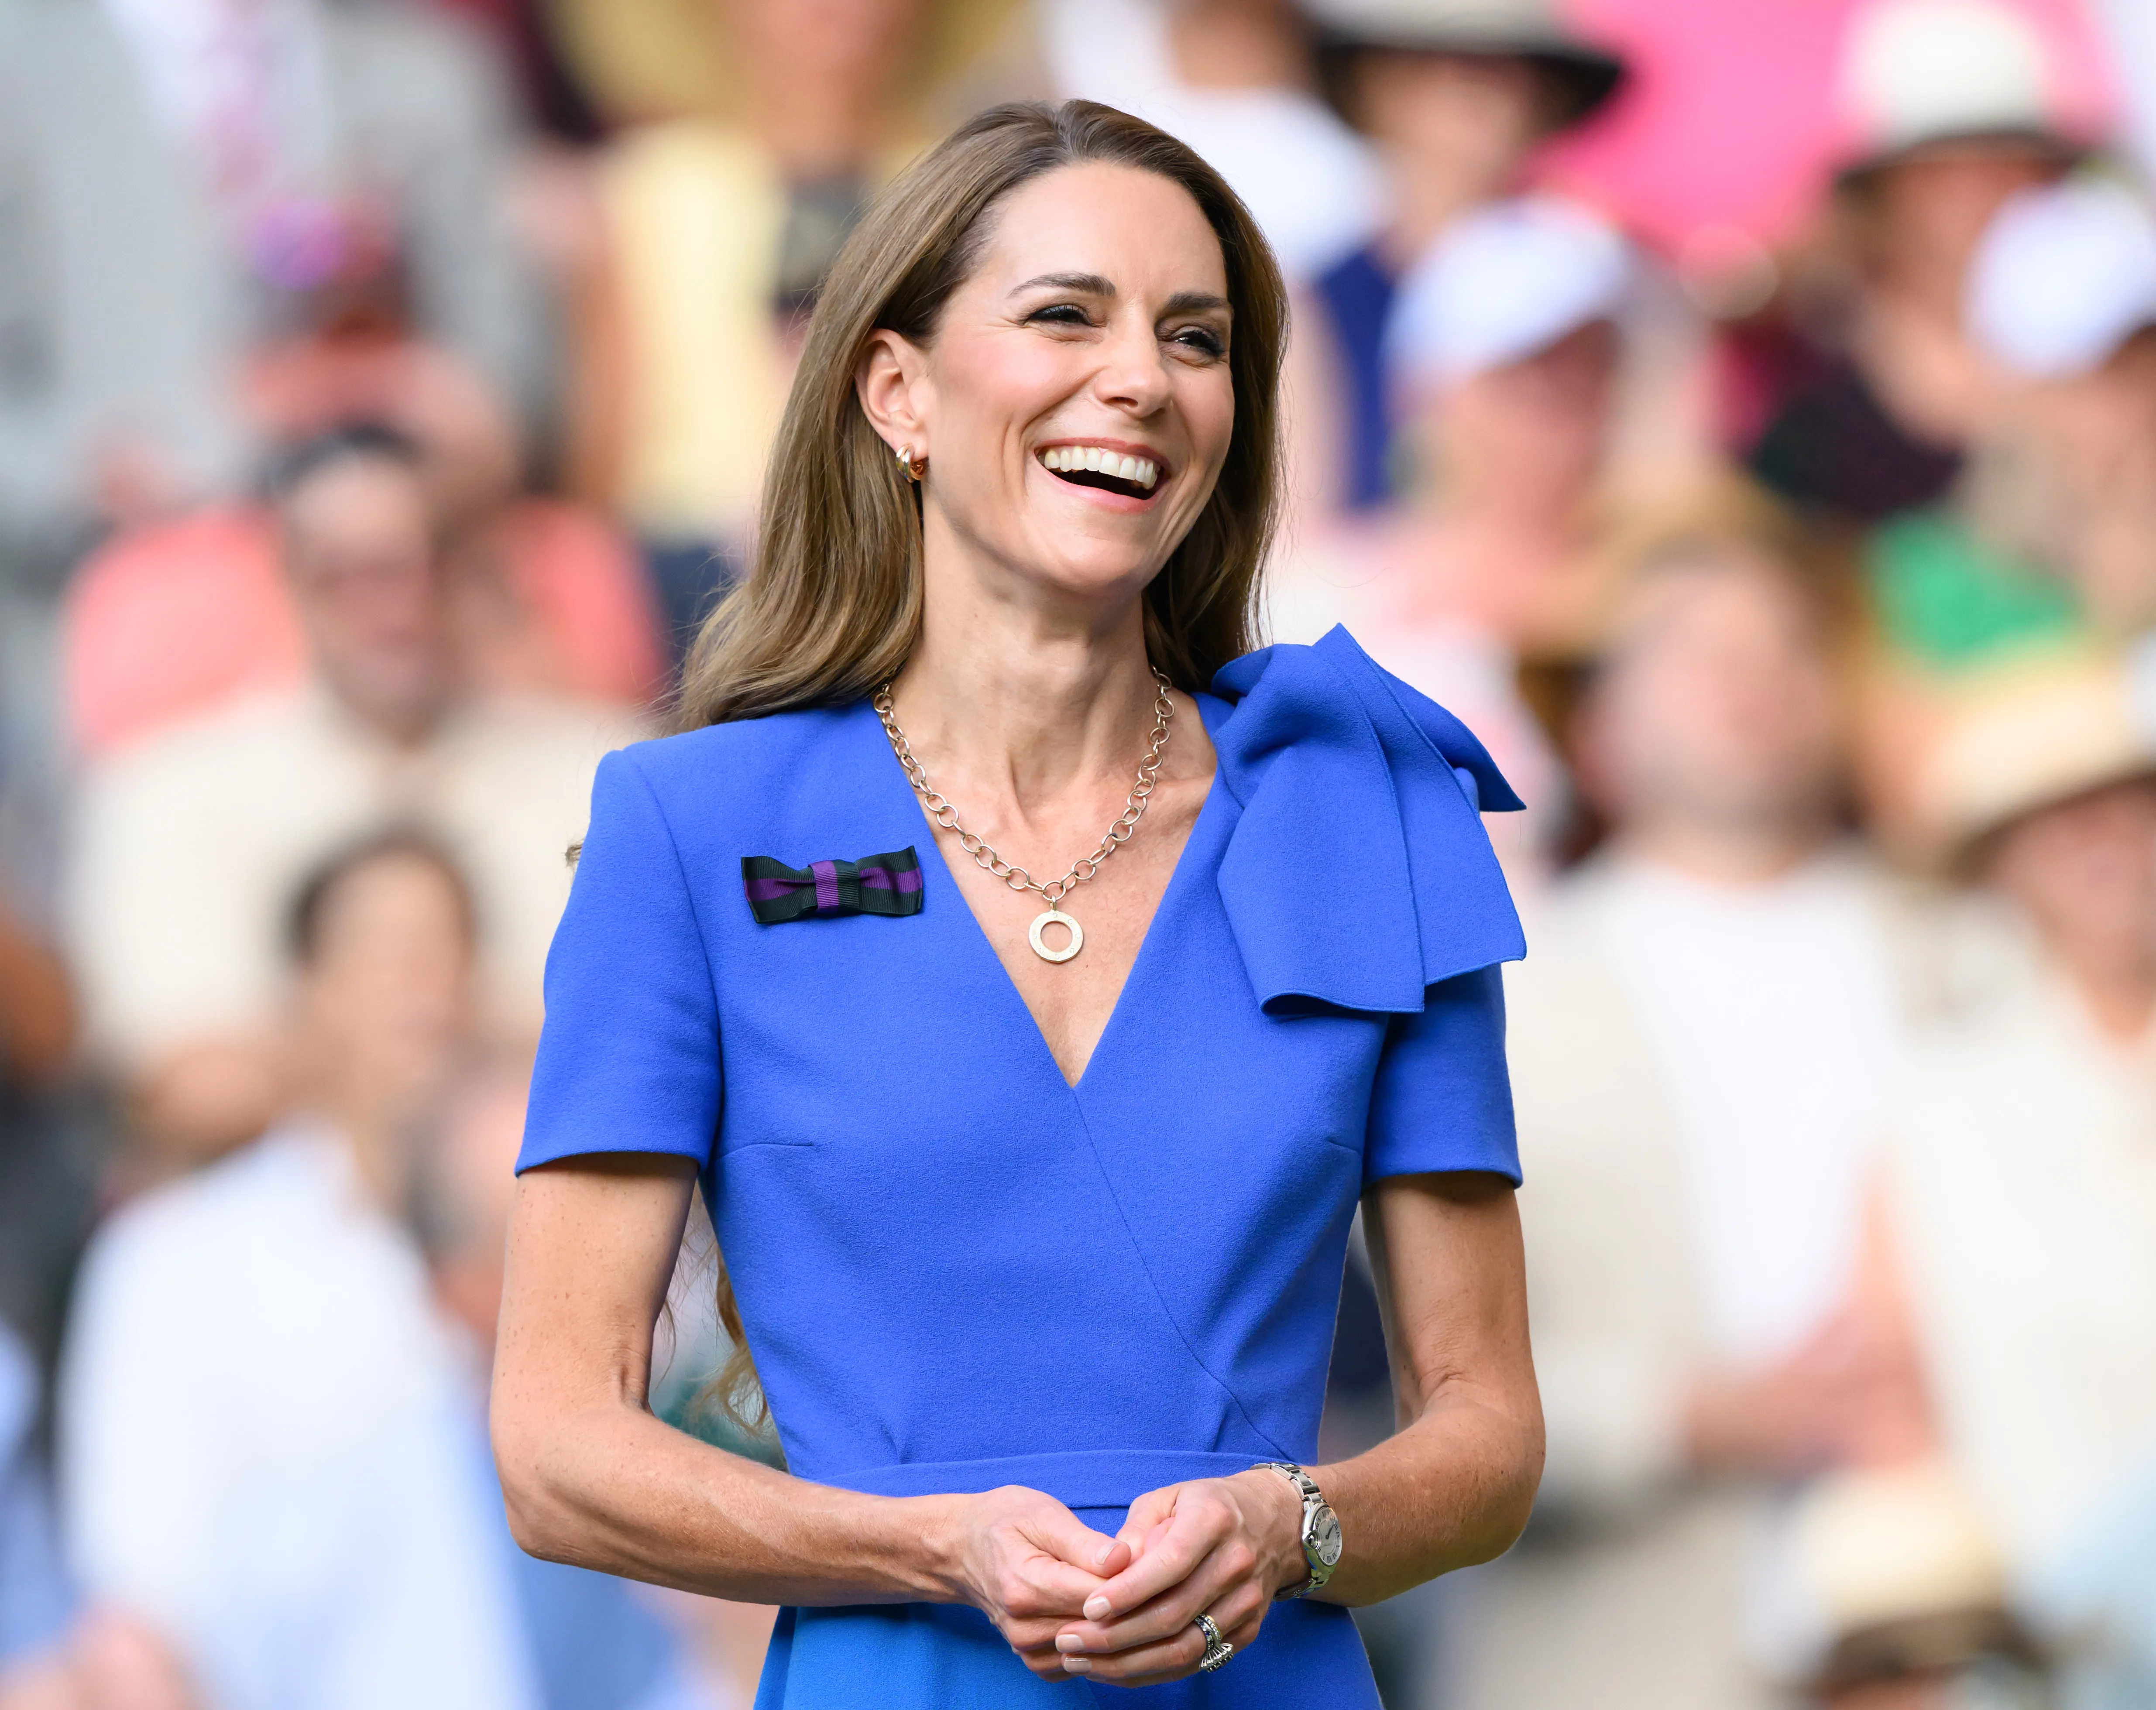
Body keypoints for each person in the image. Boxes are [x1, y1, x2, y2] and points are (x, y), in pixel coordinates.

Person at [492, 99, 1543, 1703]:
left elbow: (1488, 1431)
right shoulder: (689, 827)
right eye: (1066, 313)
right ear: (897, 392)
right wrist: (930, 1547)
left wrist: (1295, 1523)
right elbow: (556, 1447)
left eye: (1195, 339)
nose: (1140, 376)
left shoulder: (1368, 798)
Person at [1441, 511, 1966, 1710]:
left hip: (1962, 1633)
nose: (1750, 680)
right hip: (1624, 1647)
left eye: (1786, 643)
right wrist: (1688, 1415)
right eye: (1691, 646)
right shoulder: (1486, 1000)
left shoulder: (1972, 957)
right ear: (1598, 718)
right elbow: (1382, 1400)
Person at [62, 832, 716, 1710]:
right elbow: (143, 1601)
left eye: (448, 950)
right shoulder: (175, 1262)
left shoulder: (603, 1229)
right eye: (383, 953)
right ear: (302, 992)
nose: (423, 987)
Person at [65, 427, 635, 1166]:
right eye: (352, 573)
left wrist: (328, 1042)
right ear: (291, 582)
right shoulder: (164, 788)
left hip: (554, 1198)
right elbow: (186, 1081)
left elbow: (652, 1050)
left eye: (424, 563)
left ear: (476, 570)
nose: (395, 605)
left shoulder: (606, 770)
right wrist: (486, 1034)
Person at [545, 0, 1037, 655]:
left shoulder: (979, 187)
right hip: (681, 584)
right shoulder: (640, 190)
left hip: (912, 570)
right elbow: (601, 461)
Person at [0, 0, 551, 580]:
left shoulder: (425, 68)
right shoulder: (24, 64)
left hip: (399, 601)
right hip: (108, 601)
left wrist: (423, 414)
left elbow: (513, 377)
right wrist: (94, 478)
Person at [1885, 656, 2156, 1707]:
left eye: (2124, 806)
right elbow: (1890, 1399)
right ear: (1994, 867)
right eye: (2055, 820)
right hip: (2046, 1651)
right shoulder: (1932, 1107)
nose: (2101, 846)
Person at [1270, 195, 1636, 876]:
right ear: (1430, 391)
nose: (1567, 395)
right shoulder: (1317, 599)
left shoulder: (1659, 591)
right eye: (1525, 369)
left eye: (1595, 360)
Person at [1747, 0, 2091, 528]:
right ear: (1882, 191)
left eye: (2002, 156)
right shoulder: (1812, 415)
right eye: (1940, 167)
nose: (1975, 189)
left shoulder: (2117, 360)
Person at [1300, 0, 1627, 510]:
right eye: (1440, 60)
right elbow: (1300, 524)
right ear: (1374, 83)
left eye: (1514, 66)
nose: (1480, 85)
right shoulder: (1313, 306)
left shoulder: (1611, 289)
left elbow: (1649, 496)